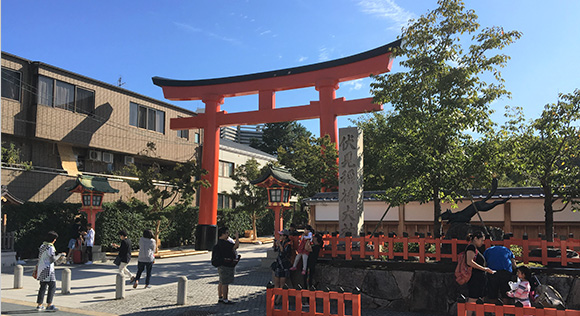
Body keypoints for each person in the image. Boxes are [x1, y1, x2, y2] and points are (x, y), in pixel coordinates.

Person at [35, 231, 66, 311]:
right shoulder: (50, 247)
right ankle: (49, 304)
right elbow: (52, 259)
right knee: (52, 286)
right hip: (48, 270)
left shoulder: (42, 245)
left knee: (42, 287)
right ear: (53, 239)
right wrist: (60, 255)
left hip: (41, 269)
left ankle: (39, 304)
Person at [465, 231, 495, 306]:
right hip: (475, 278)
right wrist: (484, 269)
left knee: (479, 299)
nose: (482, 242)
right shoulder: (471, 247)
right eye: (481, 240)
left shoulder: (474, 248)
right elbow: (469, 262)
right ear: (475, 238)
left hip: (479, 278)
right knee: (473, 298)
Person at [214, 226, 239, 304]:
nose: (228, 235)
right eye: (227, 233)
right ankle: (225, 299)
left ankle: (220, 297)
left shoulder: (217, 243)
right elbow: (236, 246)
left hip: (220, 264)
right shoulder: (225, 243)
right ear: (223, 234)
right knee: (225, 282)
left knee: (221, 281)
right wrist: (237, 237)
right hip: (226, 264)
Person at [272, 229, 293, 304]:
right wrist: (275, 244)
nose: (280, 236)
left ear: (285, 236)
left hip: (284, 265)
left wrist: (280, 245)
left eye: (281, 235)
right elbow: (275, 250)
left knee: (282, 284)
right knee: (276, 283)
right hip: (279, 264)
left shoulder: (288, 244)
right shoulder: (281, 242)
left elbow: (284, 252)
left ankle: (278, 300)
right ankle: (274, 298)